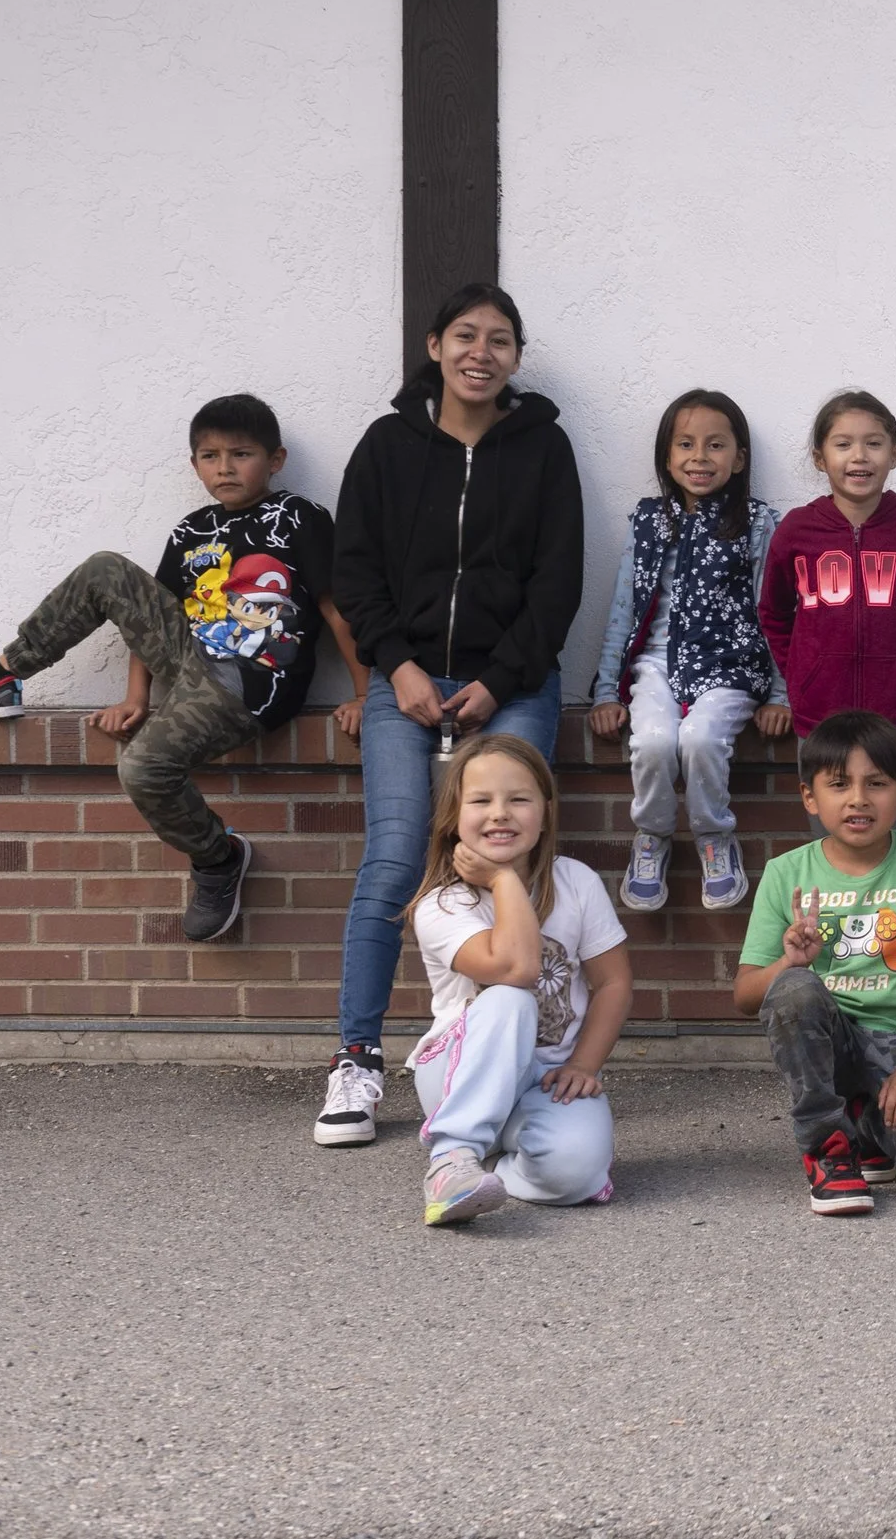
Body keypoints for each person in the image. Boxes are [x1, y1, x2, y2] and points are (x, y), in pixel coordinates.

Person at [0, 393, 364, 942]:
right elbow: (150, 619)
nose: (224, 467)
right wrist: (138, 699)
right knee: (106, 569)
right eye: (209, 456)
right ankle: (1, 674)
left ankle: (217, 858)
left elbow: (334, 607)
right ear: (194, 464)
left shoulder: (300, 517)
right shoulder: (190, 530)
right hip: (189, 665)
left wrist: (365, 693)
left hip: (246, 685)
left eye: (241, 454)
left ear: (274, 460)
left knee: (143, 769)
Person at [319, 282, 585, 1148]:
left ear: (515, 357)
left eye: (500, 339)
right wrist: (392, 666)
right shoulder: (388, 447)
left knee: (511, 856)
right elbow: (354, 572)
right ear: (434, 346)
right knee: (398, 856)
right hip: (406, 684)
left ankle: (517, 1058)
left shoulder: (543, 448)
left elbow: (558, 583)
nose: (482, 351)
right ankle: (357, 1059)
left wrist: (501, 678)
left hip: (510, 685)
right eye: (465, 335)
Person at [731, 709, 896, 1216]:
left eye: (877, 783)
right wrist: (790, 962)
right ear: (810, 797)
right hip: (829, 1042)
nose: (858, 798)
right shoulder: (786, 874)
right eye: (839, 784)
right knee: (794, 989)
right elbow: (746, 995)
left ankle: (866, 1123)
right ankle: (829, 1146)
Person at [407, 734, 631, 1225]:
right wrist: (505, 880)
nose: (500, 813)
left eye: (519, 799)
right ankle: (453, 1156)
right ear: (453, 817)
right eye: (481, 801)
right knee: (511, 999)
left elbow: (613, 983)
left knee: (577, 1172)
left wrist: (584, 1064)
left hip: (545, 1082)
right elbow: (516, 969)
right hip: (456, 1075)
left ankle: (493, 1171)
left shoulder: (575, 881)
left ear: (546, 811)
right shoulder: (444, 905)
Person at [588, 389, 789, 913]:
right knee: (653, 742)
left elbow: (777, 609)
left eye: (715, 445)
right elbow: (623, 608)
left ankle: (712, 838)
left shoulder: (758, 523)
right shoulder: (650, 521)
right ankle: (652, 836)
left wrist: (781, 693)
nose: (699, 457)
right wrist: (607, 689)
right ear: (666, 455)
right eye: (685, 444)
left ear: (739, 458)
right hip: (656, 664)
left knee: (700, 739)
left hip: (730, 667)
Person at [757, 391, 896, 836]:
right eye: (843, 444)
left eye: (873, 443)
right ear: (819, 457)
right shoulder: (797, 530)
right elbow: (773, 613)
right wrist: (800, 676)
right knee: (830, 846)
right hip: (820, 720)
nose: (859, 456)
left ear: (894, 453)